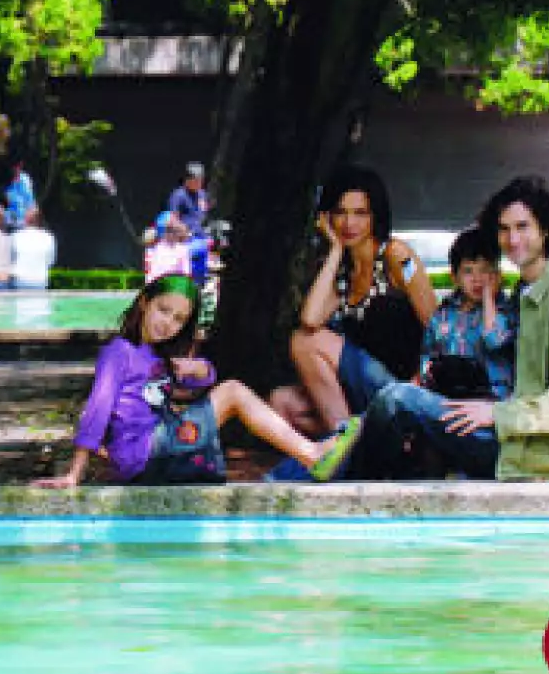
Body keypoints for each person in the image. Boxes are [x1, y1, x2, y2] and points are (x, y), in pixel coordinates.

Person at [34, 275, 359, 488]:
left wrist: (202, 371)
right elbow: (97, 408)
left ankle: (314, 455)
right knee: (233, 392)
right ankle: (312, 454)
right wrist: (75, 473)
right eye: (163, 311)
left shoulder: (154, 358)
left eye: (178, 320)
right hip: (143, 453)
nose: (168, 324)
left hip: (154, 454)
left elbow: (191, 387)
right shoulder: (119, 352)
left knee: (227, 389)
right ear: (145, 302)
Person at [433, 175, 549, 480]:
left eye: (522, 227)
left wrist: (496, 415)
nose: (513, 239)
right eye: (504, 229)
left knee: (399, 402)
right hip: (523, 440)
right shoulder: (523, 291)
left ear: (544, 230)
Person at [270, 164, 437, 453]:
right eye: (340, 212)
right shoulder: (343, 271)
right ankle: (354, 441)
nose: (349, 223)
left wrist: (421, 382)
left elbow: (438, 327)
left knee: (305, 341)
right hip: (364, 393)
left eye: (360, 213)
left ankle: (345, 447)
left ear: (376, 216)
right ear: (328, 217)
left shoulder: (397, 257)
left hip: (402, 388)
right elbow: (310, 318)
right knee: (281, 404)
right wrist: (335, 250)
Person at [339, 227, 517, 480]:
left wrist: (490, 297)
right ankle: (360, 466)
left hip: (485, 413)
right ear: (454, 276)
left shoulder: (505, 312)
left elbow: (494, 338)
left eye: (486, 271)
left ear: (497, 276)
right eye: (469, 271)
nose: (478, 279)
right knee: (403, 415)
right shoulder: (444, 315)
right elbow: (427, 361)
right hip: (445, 405)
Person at [10, 206, 57, 289]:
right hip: (41, 280)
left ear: (25, 220)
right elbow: (51, 260)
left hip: (20, 280)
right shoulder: (48, 237)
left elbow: (10, 258)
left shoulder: (16, 236)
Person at [143, 214, 192, 282]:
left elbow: (186, 274)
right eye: (169, 231)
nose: (172, 234)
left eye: (173, 231)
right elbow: (152, 275)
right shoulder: (155, 249)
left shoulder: (183, 250)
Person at [166, 162, 211, 235]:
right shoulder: (178, 195)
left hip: (202, 235)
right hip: (186, 237)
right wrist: (183, 230)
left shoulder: (202, 194)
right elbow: (173, 219)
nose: (199, 183)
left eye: (201, 180)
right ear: (187, 180)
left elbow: (204, 214)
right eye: (196, 180)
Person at [4, 162, 37, 231]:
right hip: (9, 219)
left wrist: (31, 213)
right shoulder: (6, 178)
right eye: (14, 167)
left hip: (23, 218)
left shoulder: (25, 179)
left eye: (18, 166)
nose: (16, 169)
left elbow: (29, 198)